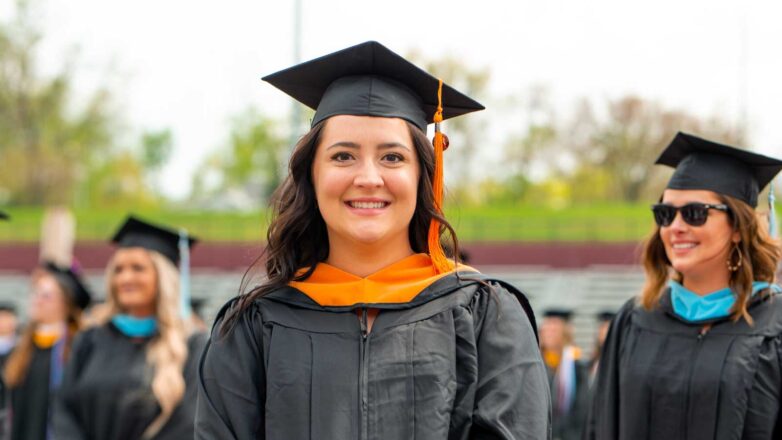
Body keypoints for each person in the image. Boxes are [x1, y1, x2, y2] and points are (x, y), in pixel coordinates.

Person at [196, 41, 551, 439]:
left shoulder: (485, 314)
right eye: (343, 156)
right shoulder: (253, 326)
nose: (368, 177)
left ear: (423, 176)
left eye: (392, 157)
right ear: (311, 175)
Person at [586, 132, 782, 439]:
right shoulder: (634, 320)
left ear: (738, 228)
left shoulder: (774, 327)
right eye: (665, 214)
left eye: (695, 213)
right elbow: (601, 428)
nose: (676, 227)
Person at [54, 216, 206, 439]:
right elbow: (64, 409)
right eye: (118, 270)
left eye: (138, 268)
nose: (125, 278)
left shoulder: (192, 343)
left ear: (163, 277)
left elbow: (187, 421)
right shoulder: (90, 339)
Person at [4, 261, 91, 440]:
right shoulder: (17, 353)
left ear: (66, 303)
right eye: (36, 293)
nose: (37, 300)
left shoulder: (78, 352)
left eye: (47, 295)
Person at [539, 309, 589, 440]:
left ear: (565, 333)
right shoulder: (536, 365)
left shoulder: (577, 366)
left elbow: (582, 407)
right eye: (546, 328)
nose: (549, 333)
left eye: (554, 329)